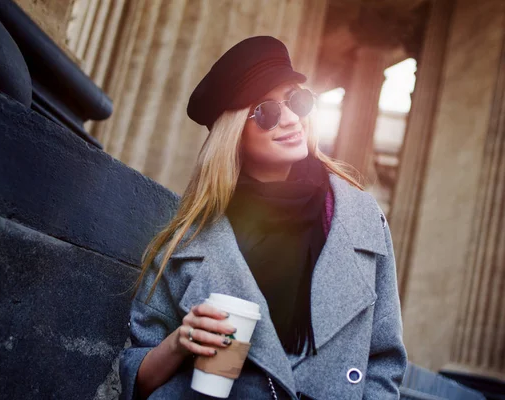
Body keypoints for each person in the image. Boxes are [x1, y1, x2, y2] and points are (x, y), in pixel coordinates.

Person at [120, 36, 407, 400]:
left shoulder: (361, 220)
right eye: (266, 112)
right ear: (234, 133)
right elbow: (137, 379)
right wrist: (181, 341)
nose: (289, 120)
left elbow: (383, 362)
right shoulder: (187, 242)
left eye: (296, 101)